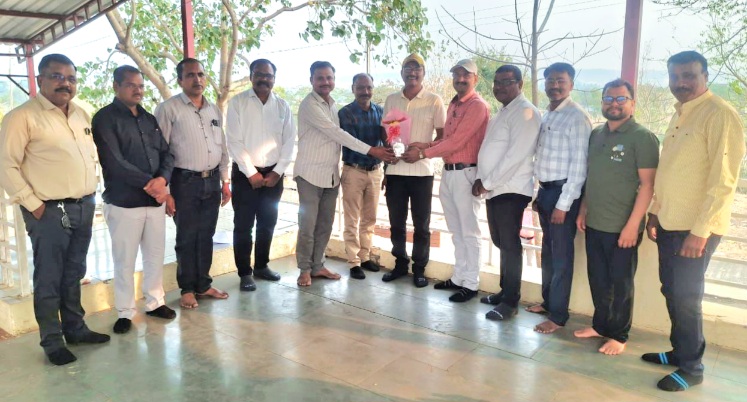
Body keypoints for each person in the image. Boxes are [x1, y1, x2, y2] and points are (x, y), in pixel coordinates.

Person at [642, 51, 745, 392]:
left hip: (695, 228)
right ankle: (679, 351)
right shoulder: (681, 112)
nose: (681, 82)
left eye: (689, 75)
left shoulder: (720, 114)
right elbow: (672, 170)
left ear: (705, 76)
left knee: (686, 297)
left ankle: (692, 367)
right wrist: (655, 211)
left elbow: (724, 181)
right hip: (669, 221)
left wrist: (700, 232)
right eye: (675, 76)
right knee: (671, 290)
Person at [0, 54, 110, 365]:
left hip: (84, 205)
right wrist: (33, 205)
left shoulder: (80, 114)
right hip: (48, 211)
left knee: (74, 272)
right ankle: (52, 341)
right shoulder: (22, 117)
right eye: (57, 76)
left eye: (71, 78)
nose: (65, 83)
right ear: (40, 80)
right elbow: (6, 164)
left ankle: (75, 329)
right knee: (49, 277)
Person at [574, 79, 659, 355]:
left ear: (632, 104)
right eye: (609, 98)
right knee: (598, 279)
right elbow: (593, 177)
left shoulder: (642, 137)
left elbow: (648, 185)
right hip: (595, 222)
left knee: (621, 284)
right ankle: (600, 325)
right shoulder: (596, 134)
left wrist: (633, 226)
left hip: (623, 227)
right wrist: (584, 209)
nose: (614, 104)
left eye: (621, 99)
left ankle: (619, 335)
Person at [92, 65, 177, 334]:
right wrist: (153, 185)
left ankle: (155, 302)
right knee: (125, 260)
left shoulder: (148, 119)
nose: (138, 90)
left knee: (154, 255)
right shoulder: (104, 119)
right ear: (116, 86)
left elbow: (167, 154)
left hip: (154, 202)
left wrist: (162, 180)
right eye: (131, 85)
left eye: (140, 85)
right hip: (124, 203)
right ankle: (125, 312)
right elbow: (114, 162)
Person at [293, 61, 395, 287]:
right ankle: (304, 269)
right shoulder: (311, 105)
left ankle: (318, 265)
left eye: (329, 78)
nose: (325, 82)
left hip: (331, 176)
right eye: (320, 78)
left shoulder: (331, 105)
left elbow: (386, 134)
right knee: (308, 226)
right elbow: (337, 134)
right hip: (310, 174)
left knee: (325, 225)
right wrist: (372, 150)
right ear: (311, 80)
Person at [406, 59, 489, 301]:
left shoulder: (477, 106)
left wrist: (423, 153)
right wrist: (426, 144)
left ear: (475, 79)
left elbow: (457, 142)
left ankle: (471, 284)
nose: (460, 79)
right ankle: (459, 277)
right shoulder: (455, 103)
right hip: (449, 172)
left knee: (469, 232)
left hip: (466, 173)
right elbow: (446, 140)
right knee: (456, 230)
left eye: (466, 75)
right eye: (457, 75)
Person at [155, 58, 231, 309]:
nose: (197, 79)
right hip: (183, 183)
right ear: (180, 80)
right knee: (187, 237)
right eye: (190, 75)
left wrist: (225, 181)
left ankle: (203, 285)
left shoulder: (213, 109)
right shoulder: (168, 109)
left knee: (206, 235)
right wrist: (166, 191)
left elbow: (222, 147)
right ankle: (187, 289)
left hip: (212, 182)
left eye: (200, 74)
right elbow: (161, 152)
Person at [475, 65, 541, 319]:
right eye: (497, 82)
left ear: (520, 84)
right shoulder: (504, 112)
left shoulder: (525, 112)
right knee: (500, 242)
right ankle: (505, 291)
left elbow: (515, 156)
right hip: (496, 189)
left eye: (507, 82)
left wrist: (487, 182)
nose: (500, 87)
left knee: (510, 245)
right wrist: (484, 180)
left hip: (511, 189)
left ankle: (510, 302)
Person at [531, 62, 592, 334]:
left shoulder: (576, 117)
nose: (554, 86)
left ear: (571, 84)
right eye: (550, 81)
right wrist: (539, 193)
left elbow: (580, 166)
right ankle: (548, 302)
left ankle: (557, 316)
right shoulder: (548, 115)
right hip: (546, 191)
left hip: (563, 195)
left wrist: (563, 205)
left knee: (561, 257)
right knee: (548, 251)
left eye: (560, 81)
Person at [226, 59, 294, 291]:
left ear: (274, 78)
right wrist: (251, 172)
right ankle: (245, 273)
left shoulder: (282, 106)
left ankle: (262, 266)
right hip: (245, 176)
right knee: (243, 225)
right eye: (259, 74)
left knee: (268, 223)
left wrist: (277, 172)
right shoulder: (238, 103)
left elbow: (289, 141)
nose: (264, 79)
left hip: (274, 175)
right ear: (251, 76)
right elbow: (234, 141)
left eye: (268, 75)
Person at [381, 53, 446, 288]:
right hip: (395, 172)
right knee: (396, 223)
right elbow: (386, 133)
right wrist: (392, 149)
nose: (412, 72)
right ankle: (400, 264)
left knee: (422, 225)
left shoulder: (434, 100)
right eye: (408, 68)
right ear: (401, 73)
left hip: (422, 172)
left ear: (423, 73)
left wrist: (421, 149)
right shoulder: (391, 99)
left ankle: (419, 269)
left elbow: (443, 138)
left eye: (417, 69)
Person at [339, 73, 385, 280]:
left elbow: (386, 140)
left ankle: (365, 256)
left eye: (369, 88)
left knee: (370, 218)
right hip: (353, 171)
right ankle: (353, 261)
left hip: (375, 171)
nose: (365, 92)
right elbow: (351, 142)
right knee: (351, 218)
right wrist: (375, 152)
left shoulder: (381, 112)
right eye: (360, 88)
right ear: (353, 89)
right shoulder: (345, 113)